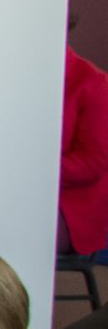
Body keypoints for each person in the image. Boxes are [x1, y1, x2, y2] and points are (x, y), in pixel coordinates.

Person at [65, 40, 108, 260]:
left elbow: (93, 162)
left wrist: (33, 171)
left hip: (72, 207)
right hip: (15, 192)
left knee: (4, 226)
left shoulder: (94, 82)